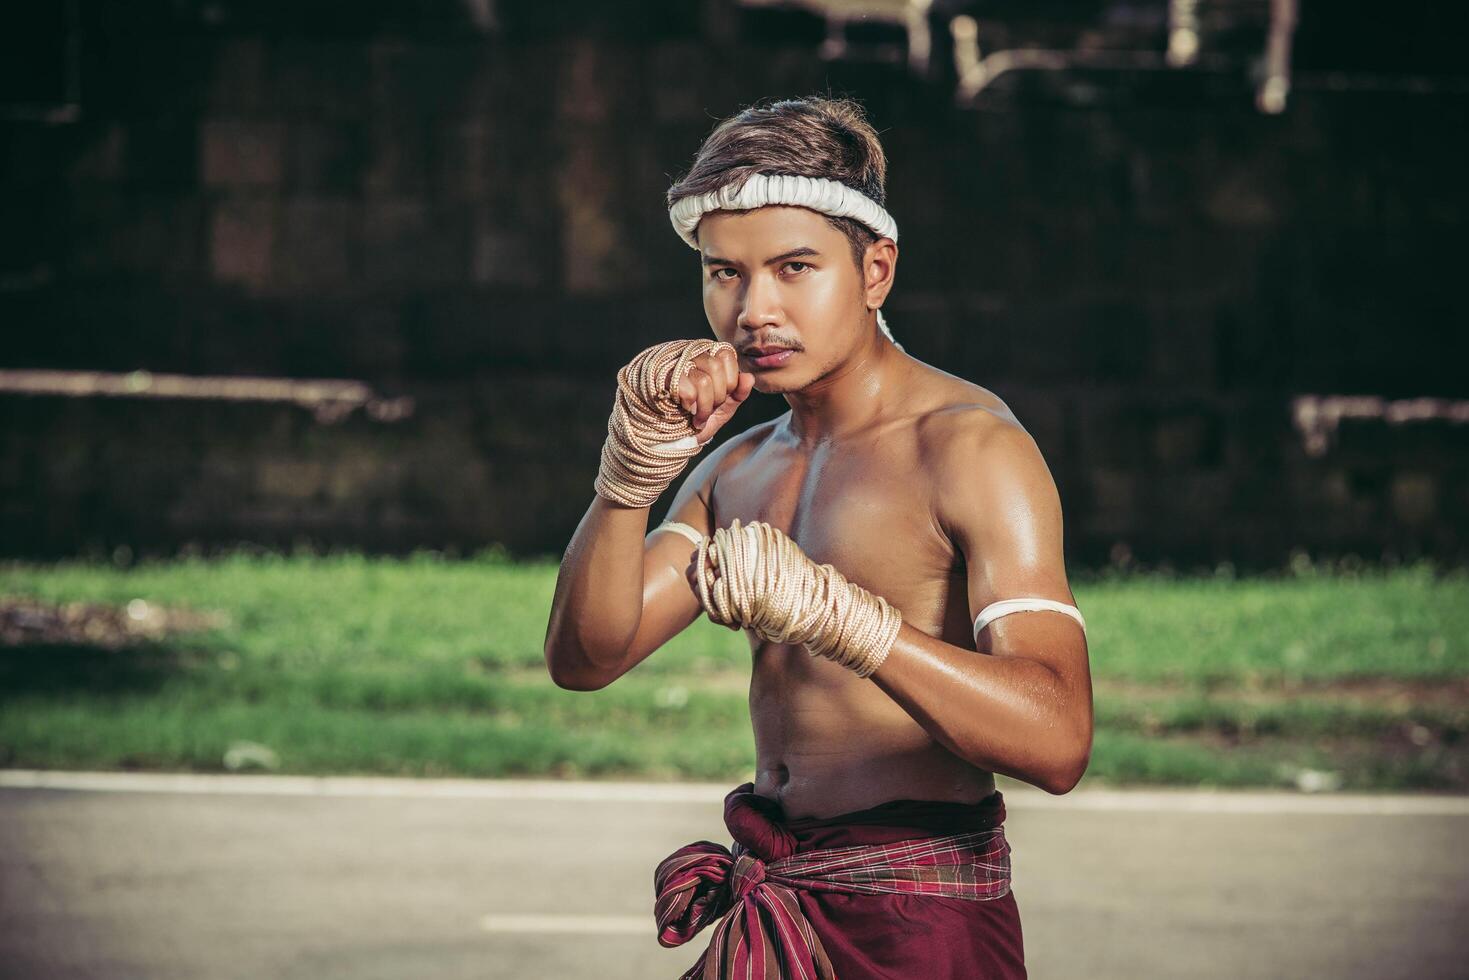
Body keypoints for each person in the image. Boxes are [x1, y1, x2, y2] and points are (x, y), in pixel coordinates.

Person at [543, 95, 1092, 979]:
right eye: (725, 273)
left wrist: (850, 624)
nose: (754, 308)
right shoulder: (738, 467)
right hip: (778, 899)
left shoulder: (969, 448)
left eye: (794, 267)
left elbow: (1059, 740)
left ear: (875, 270)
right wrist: (627, 477)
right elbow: (587, 656)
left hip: (919, 922)